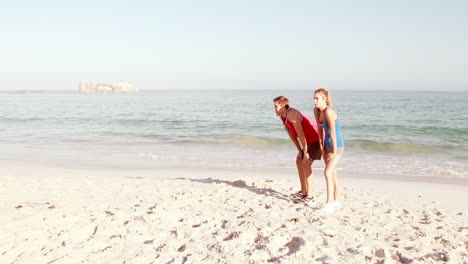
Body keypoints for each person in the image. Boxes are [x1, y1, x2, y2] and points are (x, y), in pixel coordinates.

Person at [273, 96, 322, 202]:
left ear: (283, 106)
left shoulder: (292, 114)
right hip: (307, 141)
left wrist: (305, 152)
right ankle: (303, 192)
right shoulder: (282, 115)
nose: (274, 108)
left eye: (275, 106)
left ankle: (309, 196)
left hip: (316, 138)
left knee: (306, 163)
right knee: (299, 161)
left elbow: (301, 134)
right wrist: (300, 151)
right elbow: (291, 134)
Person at [313, 88, 344, 213]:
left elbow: (333, 132)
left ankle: (329, 203)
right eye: (314, 98)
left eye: (317, 98)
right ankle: (337, 201)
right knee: (332, 173)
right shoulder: (316, 111)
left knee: (327, 172)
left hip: (337, 146)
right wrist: (322, 148)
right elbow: (320, 131)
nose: (315, 101)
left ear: (324, 99)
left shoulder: (329, 112)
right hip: (326, 145)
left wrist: (334, 151)